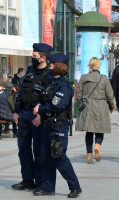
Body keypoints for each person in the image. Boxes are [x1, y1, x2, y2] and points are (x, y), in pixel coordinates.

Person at [33, 56, 82, 198]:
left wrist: (40, 109)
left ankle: (75, 187)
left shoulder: (64, 86)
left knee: (59, 157)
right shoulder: (52, 83)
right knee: (46, 158)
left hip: (58, 127)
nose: (49, 65)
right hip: (47, 125)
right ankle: (48, 187)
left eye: (52, 63)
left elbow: (57, 105)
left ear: (59, 66)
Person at [12, 43, 53, 191]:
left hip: (38, 117)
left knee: (39, 151)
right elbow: (21, 92)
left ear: (43, 57)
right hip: (24, 114)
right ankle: (27, 179)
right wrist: (16, 111)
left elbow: (50, 99)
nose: (32, 58)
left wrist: (42, 115)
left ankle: (40, 182)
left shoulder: (50, 74)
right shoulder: (29, 70)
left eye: (35, 56)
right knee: (23, 149)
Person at [75, 57, 115, 164]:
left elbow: (78, 93)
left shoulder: (84, 78)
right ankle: (97, 145)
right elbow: (110, 94)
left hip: (87, 106)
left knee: (89, 131)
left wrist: (81, 102)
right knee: (99, 130)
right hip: (101, 106)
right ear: (98, 66)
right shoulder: (104, 79)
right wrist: (112, 106)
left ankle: (89, 154)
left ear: (90, 65)